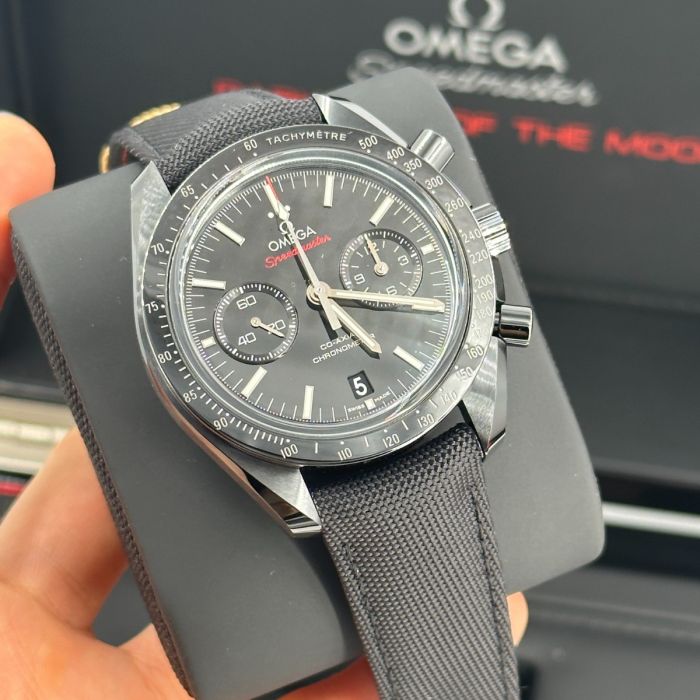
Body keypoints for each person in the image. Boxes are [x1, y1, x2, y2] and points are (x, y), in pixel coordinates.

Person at [0, 112, 528, 699]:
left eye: (320, 294)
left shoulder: (340, 139)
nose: (318, 295)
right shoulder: (170, 228)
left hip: (444, 415)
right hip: (333, 460)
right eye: (314, 293)